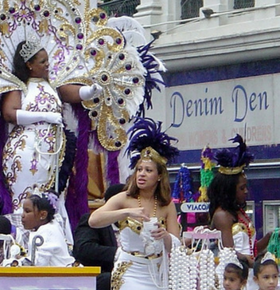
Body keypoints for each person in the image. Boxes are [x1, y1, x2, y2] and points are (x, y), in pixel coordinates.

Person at [1, 39, 102, 213]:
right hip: (27, 150)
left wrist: (90, 91)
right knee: (27, 196)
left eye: (48, 60)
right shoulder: (19, 87)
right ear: (29, 65)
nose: (48, 64)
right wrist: (44, 116)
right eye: (43, 61)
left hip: (55, 152)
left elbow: (73, 93)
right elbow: (10, 113)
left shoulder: (53, 85)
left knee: (53, 197)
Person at [89, 117, 181, 290]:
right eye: (139, 169)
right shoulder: (124, 198)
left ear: (159, 176)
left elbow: (176, 245)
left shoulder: (166, 204)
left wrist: (165, 236)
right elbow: (94, 220)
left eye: (148, 170)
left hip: (157, 271)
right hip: (130, 270)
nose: (142, 174)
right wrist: (125, 213)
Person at [208, 135, 272, 267]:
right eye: (242, 188)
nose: (246, 191)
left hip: (248, 272)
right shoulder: (222, 215)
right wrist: (249, 261)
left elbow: (253, 249)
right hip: (232, 275)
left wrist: (270, 237)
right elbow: (229, 252)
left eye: (246, 187)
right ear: (229, 190)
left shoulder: (239, 212)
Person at [73, 183, 125, 290]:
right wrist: (120, 254)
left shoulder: (140, 223)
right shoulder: (92, 221)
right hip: (105, 277)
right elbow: (84, 249)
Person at [22, 193, 76, 266]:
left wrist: (18, 262)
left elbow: (40, 263)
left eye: (27, 211)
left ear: (43, 215)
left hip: (63, 275)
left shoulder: (48, 230)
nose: (22, 215)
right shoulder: (41, 229)